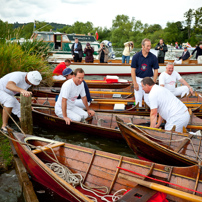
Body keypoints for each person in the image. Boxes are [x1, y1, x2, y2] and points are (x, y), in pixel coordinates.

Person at [131, 38, 159, 107]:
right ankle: (138, 114)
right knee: (138, 100)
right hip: (138, 80)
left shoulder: (153, 57)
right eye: (147, 46)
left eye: (150, 46)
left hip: (149, 81)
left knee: (149, 100)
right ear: (142, 46)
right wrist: (135, 83)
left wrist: (154, 82)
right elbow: (132, 70)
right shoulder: (136, 56)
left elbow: (156, 70)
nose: (149, 48)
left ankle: (151, 114)